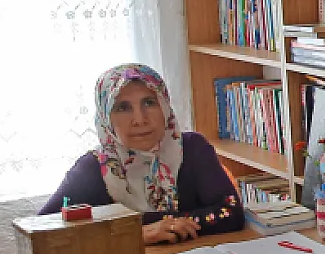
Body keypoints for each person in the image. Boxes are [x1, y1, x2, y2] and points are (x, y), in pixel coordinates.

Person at [41, 63, 244, 244]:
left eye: (149, 103)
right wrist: (134, 234)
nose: (140, 119)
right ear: (106, 118)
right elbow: (44, 233)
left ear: (165, 107)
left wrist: (163, 225)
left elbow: (231, 213)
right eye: (123, 108)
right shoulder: (93, 168)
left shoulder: (192, 148)